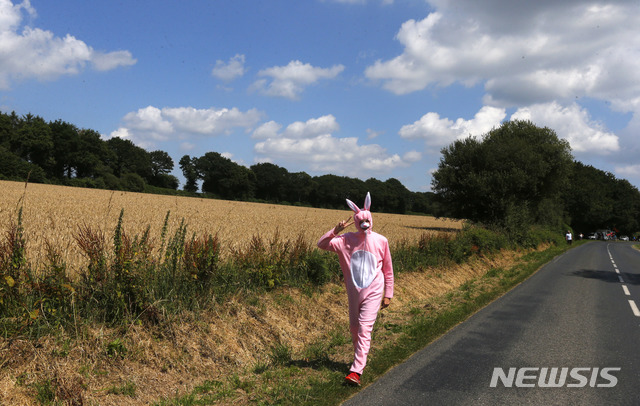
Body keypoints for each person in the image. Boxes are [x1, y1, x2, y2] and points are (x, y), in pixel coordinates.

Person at [317, 192, 394, 387]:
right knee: (354, 327)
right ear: (357, 220)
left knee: (364, 328)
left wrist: (388, 293)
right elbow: (322, 244)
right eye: (362, 221)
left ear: (371, 219)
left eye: (367, 220)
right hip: (354, 292)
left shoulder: (381, 240)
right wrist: (335, 230)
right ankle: (358, 359)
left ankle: (356, 371)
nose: (365, 224)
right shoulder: (345, 240)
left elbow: (388, 269)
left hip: (374, 290)